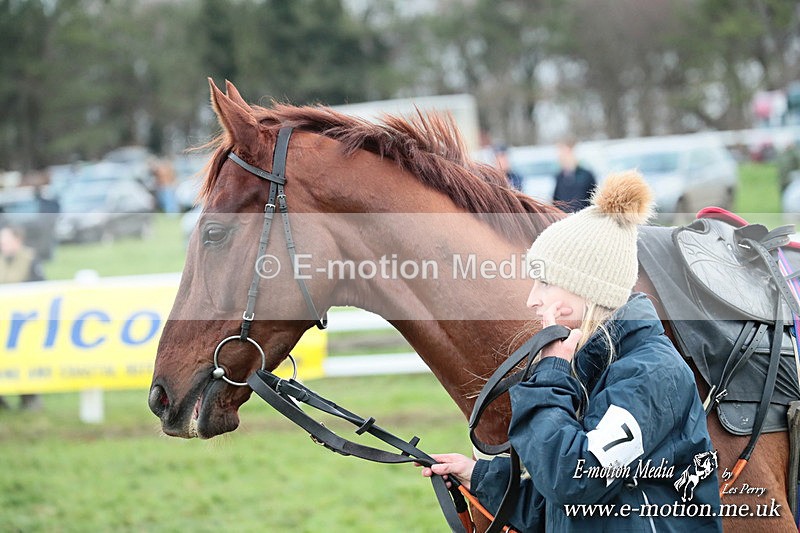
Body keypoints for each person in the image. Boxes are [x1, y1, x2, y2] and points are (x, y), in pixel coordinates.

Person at [420, 171, 721, 531]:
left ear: (588, 290)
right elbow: (564, 509)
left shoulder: (651, 374)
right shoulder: (594, 369)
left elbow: (574, 480)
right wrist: (482, 478)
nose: (532, 300)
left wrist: (549, 377)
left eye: (545, 282)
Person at [0, 225, 44, 411]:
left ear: (17, 240)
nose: (2, 244)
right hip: (3, 322)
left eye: (6, 241)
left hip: (24, 324)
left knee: (24, 362)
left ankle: (29, 399)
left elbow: (41, 289)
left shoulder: (30, 259)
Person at [553, 137, 596, 212]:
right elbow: (556, 201)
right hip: (564, 217)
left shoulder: (586, 175)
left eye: (565, 153)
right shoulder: (559, 177)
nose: (562, 157)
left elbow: (594, 198)